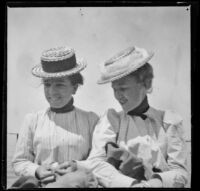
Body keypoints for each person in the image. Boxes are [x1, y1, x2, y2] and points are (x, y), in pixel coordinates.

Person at [54, 45, 188, 188]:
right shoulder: (112, 120)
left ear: (146, 83)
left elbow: (180, 172)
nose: (118, 96)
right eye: (114, 89)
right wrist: (132, 184)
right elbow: (97, 163)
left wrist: (154, 183)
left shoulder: (168, 121)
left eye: (123, 89)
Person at [11, 46, 99, 188]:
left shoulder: (91, 120)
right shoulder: (32, 120)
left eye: (59, 84)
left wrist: (77, 166)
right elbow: (19, 161)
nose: (51, 91)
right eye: (47, 84)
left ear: (75, 88)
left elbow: (98, 160)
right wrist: (37, 170)